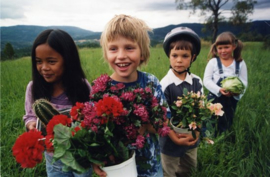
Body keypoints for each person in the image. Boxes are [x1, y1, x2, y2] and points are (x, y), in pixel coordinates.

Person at [92, 14, 169, 177]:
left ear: (142, 52)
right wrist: (94, 158)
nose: (121, 55)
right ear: (106, 53)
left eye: (129, 48)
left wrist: (144, 127)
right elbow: (94, 133)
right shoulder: (101, 90)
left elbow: (164, 121)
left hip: (150, 167)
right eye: (113, 48)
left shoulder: (150, 83)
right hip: (116, 168)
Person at [23, 29, 92, 177]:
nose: (44, 68)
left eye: (51, 61)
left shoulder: (82, 86)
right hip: (54, 158)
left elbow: (93, 115)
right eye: (38, 62)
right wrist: (31, 125)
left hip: (80, 156)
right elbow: (29, 116)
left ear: (68, 60)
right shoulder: (33, 88)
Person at [159, 27, 202, 177]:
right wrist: (174, 137)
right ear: (169, 56)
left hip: (191, 137)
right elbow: (162, 117)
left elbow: (200, 109)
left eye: (185, 56)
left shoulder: (197, 81)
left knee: (189, 167)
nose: (179, 60)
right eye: (174, 55)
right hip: (171, 140)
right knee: (169, 170)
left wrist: (196, 131)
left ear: (193, 57)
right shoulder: (164, 85)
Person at [203, 31, 248, 134]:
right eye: (220, 48)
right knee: (210, 121)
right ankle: (208, 140)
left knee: (227, 121)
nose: (223, 51)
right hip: (215, 97)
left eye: (226, 47)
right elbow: (207, 80)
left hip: (231, 99)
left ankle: (223, 139)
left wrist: (238, 93)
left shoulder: (240, 63)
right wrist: (219, 89)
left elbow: (244, 82)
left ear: (233, 46)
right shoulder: (213, 62)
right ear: (216, 48)